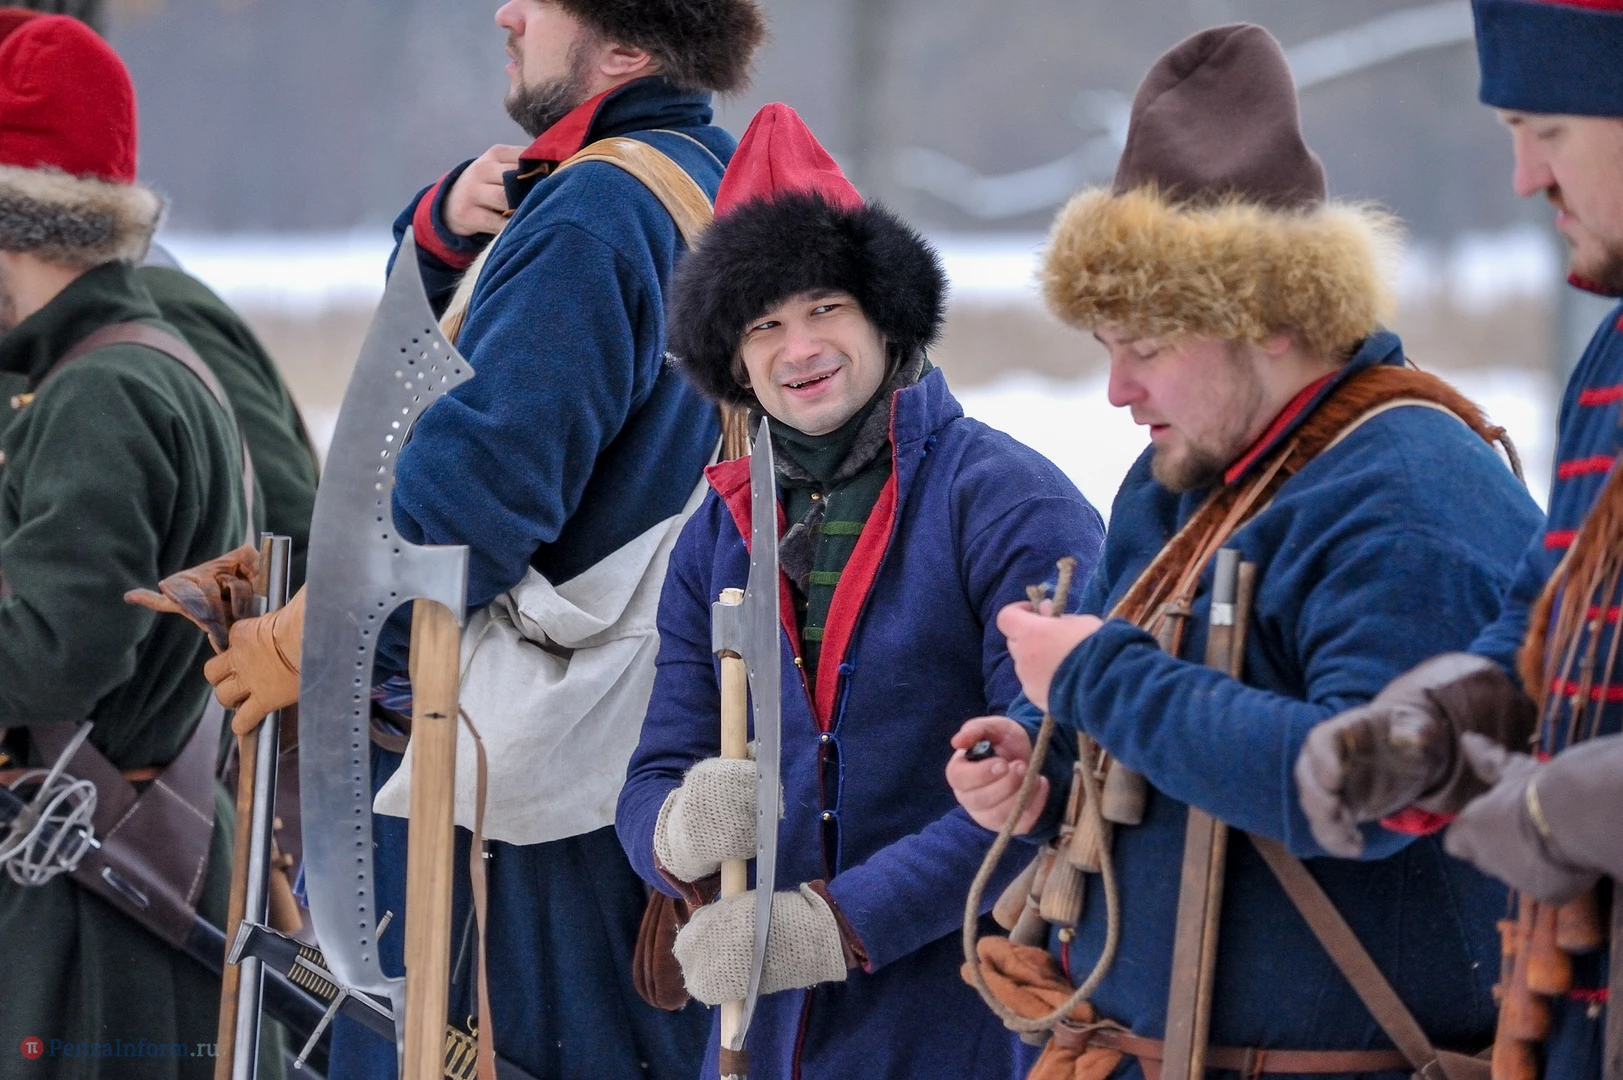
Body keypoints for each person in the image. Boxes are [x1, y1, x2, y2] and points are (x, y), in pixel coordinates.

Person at [944, 24, 1546, 1080]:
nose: (1118, 391)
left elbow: (1364, 795)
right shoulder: (1180, 476)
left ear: (1268, 314)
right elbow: (1161, 727)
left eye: (1147, 347)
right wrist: (1044, 774)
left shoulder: (1410, 500)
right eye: (1107, 350)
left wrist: (1095, 679)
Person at [187, 1, 767, 1076]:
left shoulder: (596, 212)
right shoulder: (713, 178)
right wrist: (447, 233)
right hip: (637, 765)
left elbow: (466, 506)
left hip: (522, 804)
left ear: (627, 47)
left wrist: (322, 639)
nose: (507, 12)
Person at [614, 103, 1106, 1080]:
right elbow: (657, 765)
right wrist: (673, 830)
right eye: (763, 324)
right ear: (732, 359)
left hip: (966, 1027)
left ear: (885, 313)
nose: (798, 349)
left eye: (824, 309)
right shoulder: (716, 531)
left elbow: (1051, 776)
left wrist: (836, 925)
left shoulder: (1009, 503)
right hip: (763, 1043)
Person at [1295, 2, 1623, 1077]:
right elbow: (1546, 620)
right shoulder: (1614, 361)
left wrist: (1575, 804)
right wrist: (1428, 729)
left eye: (1548, 129)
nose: (1526, 177)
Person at [0, 13, 264, 1079]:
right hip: (124, 870)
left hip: (95, 907)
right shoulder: (142, 364)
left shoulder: (103, 394)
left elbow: (52, 656)